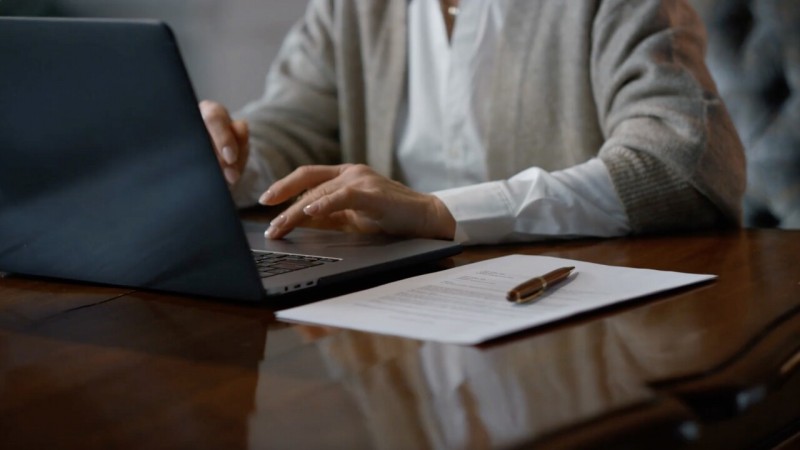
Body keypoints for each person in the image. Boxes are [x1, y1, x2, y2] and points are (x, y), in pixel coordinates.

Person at [200, 0, 745, 245]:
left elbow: (681, 160)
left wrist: (441, 212)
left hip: (579, 320)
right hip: (395, 316)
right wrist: (230, 159)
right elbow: (293, 119)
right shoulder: (352, 8)